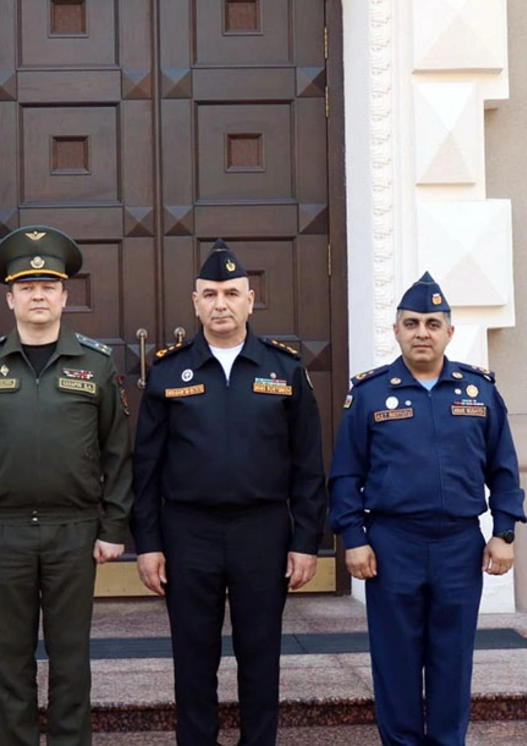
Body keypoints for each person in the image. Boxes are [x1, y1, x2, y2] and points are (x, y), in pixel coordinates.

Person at [0, 224, 132, 746]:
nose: (38, 296)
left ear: (65, 296)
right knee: (10, 662)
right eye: (27, 287)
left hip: (74, 532)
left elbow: (118, 454)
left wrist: (113, 526)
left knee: (71, 661)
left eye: (49, 286)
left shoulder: (95, 365)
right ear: (10, 298)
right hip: (3, 534)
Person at [131, 239, 327, 746]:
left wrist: (306, 541)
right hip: (188, 532)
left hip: (261, 529)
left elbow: (308, 465)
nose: (221, 304)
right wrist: (148, 543)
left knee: (260, 655)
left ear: (250, 300)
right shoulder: (168, 371)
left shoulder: (284, 369)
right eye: (211, 294)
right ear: (195, 302)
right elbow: (146, 468)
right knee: (193, 657)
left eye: (232, 293)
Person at [328, 271, 527, 746]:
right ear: (396, 330)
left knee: (452, 661)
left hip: (459, 545)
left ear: (449, 332)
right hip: (392, 545)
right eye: (412, 323)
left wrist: (503, 533)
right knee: (395, 660)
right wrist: (353, 538)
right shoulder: (370, 394)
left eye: (433, 324)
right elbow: (345, 475)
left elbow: (503, 469)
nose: (422, 333)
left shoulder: (479, 392)